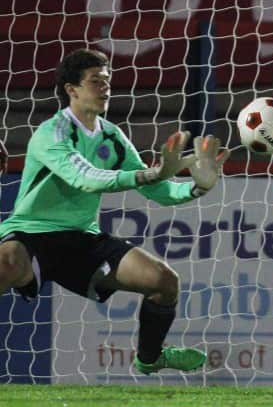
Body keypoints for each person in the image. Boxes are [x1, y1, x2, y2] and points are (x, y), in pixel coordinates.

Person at [0, 48, 227, 375]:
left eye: (107, 81)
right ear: (72, 89)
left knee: (164, 281)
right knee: (6, 261)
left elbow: (158, 190)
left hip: (81, 237)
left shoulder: (112, 137)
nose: (105, 88)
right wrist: (150, 172)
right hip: (31, 233)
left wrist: (197, 187)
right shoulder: (53, 132)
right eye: (95, 81)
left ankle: (150, 358)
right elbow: (86, 178)